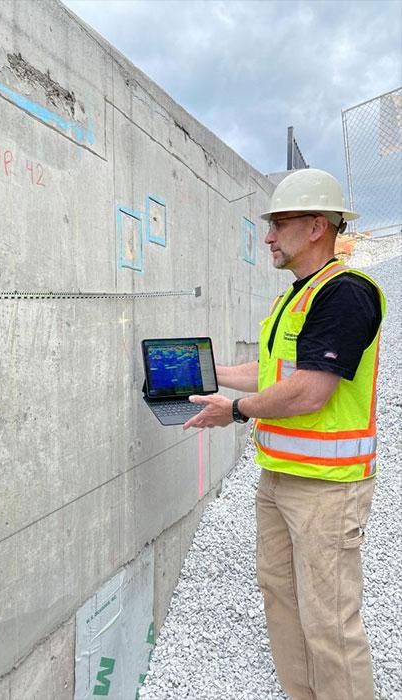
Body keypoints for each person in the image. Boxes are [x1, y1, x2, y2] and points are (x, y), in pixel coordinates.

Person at [183, 168, 385, 700]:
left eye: (278, 223)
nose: (269, 236)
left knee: (331, 625)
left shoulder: (345, 294)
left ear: (317, 226)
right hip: (280, 478)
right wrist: (206, 372)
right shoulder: (296, 297)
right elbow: (275, 374)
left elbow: (309, 391)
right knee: (281, 597)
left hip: (326, 486)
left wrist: (237, 411)